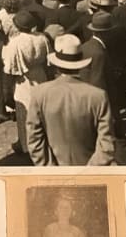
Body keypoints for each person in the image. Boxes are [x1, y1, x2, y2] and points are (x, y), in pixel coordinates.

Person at [27, 34, 115, 166]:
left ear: (56, 64)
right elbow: (106, 144)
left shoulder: (39, 94)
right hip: (90, 171)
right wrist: (89, 171)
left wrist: (48, 167)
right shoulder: (98, 96)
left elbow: (34, 139)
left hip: (54, 173)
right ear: (81, 63)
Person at [2, 10, 50, 154]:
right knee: (42, 112)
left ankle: (27, 146)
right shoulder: (42, 38)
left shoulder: (15, 43)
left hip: (24, 81)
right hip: (41, 76)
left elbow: (9, 70)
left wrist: (6, 90)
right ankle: (43, 142)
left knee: (25, 114)